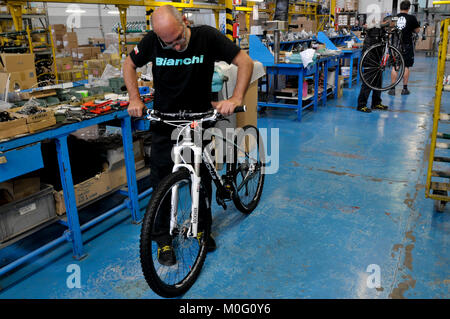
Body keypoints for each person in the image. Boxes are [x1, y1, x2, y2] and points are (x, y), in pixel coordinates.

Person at [123, 5, 254, 266]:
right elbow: (129, 64)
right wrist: (134, 99)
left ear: (185, 21)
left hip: (198, 119)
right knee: (161, 180)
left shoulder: (207, 37)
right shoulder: (152, 41)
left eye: (179, 38)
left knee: (202, 177)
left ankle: (203, 229)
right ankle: (163, 240)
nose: (176, 46)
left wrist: (236, 97)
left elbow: (245, 62)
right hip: (165, 121)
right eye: (168, 43)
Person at [357, 20, 389, 113]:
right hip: (370, 57)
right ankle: (361, 105)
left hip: (377, 58)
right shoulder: (373, 30)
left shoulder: (381, 31)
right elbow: (367, 27)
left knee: (378, 81)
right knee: (368, 81)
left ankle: (376, 103)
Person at [388, 0, 420, 95]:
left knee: (395, 66)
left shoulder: (395, 17)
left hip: (395, 45)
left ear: (400, 7)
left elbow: (390, 28)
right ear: (408, 8)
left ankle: (392, 89)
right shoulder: (412, 18)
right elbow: (417, 30)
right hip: (407, 45)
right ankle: (404, 89)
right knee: (406, 66)